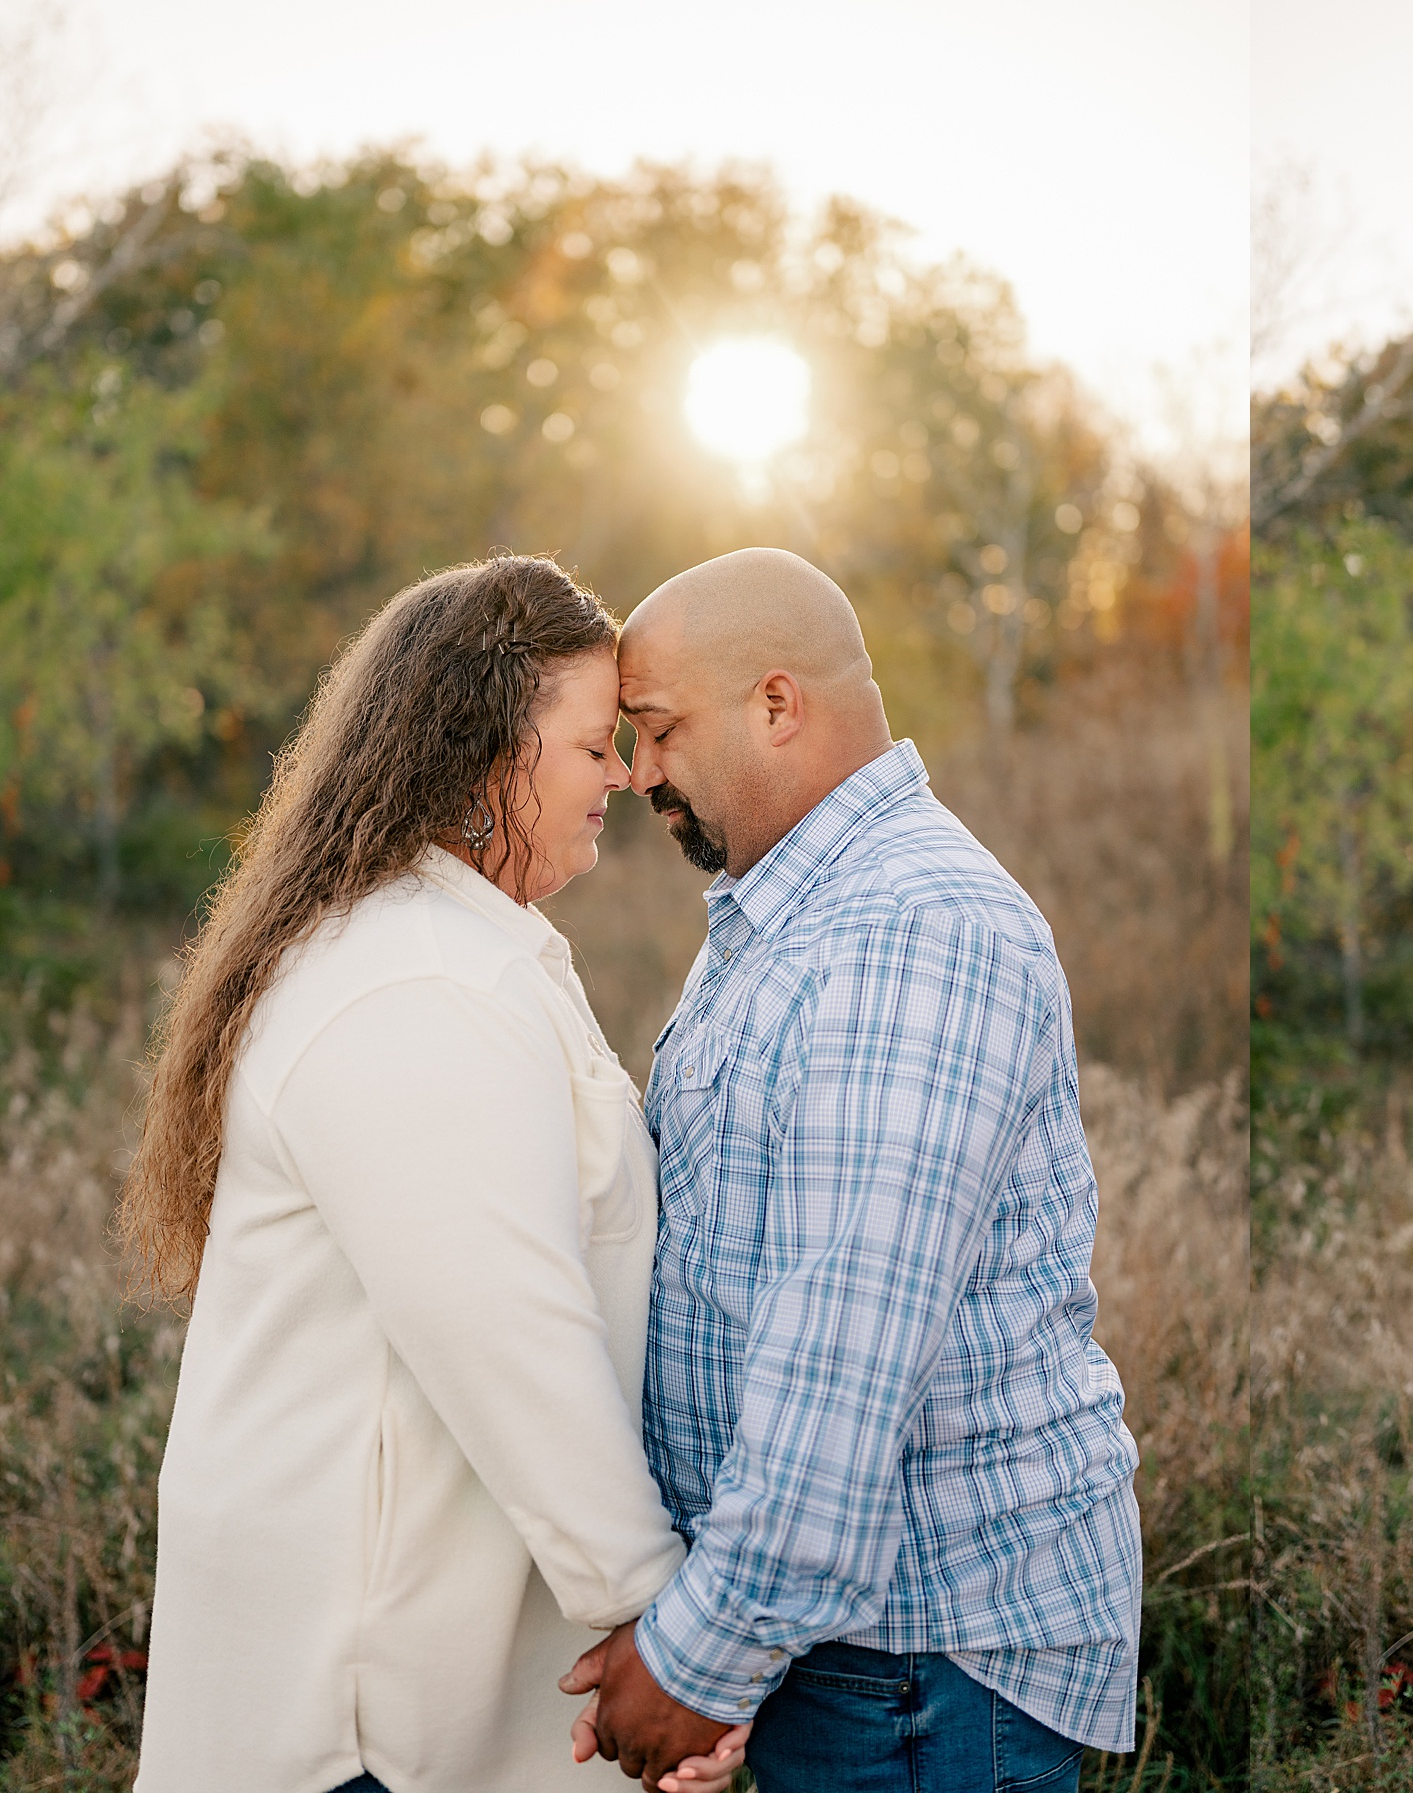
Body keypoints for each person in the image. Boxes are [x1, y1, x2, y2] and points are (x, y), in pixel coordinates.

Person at [127, 556, 745, 1793]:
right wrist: (657, 1618)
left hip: (417, 1679)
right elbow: (504, 1323)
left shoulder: (451, 949)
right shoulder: (416, 981)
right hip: (367, 1718)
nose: (623, 774)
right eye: (589, 745)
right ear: (487, 758)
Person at [560, 547, 1143, 1793]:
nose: (639, 769)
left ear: (777, 705)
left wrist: (696, 1660)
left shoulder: (908, 931)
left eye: (656, 729)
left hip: (919, 1660)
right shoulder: (787, 912)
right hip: (837, 1646)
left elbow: (842, 1356)